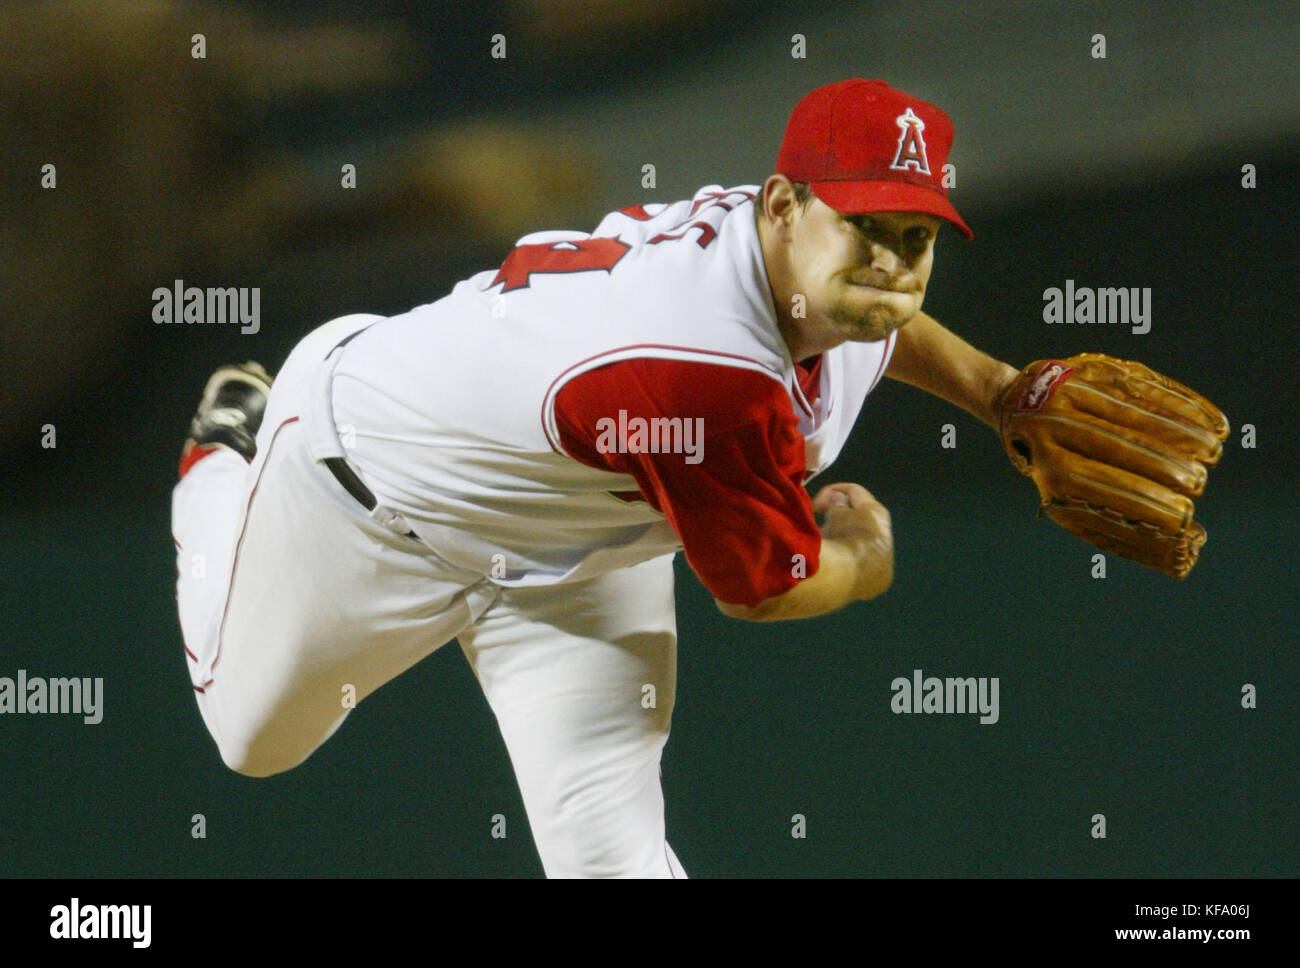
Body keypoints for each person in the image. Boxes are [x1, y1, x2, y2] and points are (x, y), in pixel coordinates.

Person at [171, 78, 1024, 877]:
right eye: (867, 226)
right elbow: (764, 587)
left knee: (612, 863)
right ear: (782, 205)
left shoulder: (792, 262)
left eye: (916, 237)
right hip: (362, 494)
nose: (893, 262)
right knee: (252, 740)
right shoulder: (702, 366)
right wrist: (867, 558)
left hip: (579, 538)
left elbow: (879, 320)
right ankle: (223, 451)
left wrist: (999, 393)